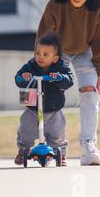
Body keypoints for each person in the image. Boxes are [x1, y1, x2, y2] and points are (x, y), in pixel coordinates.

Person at [37, 0, 100, 166]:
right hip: (58, 52)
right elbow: (44, 37)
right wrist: (44, 66)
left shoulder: (97, 9)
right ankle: (56, 145)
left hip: (84, 52)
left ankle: (88, 146)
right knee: (51, 91)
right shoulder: (55, 4)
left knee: (90, 92)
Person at [14, 32, 74, 166]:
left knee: (57, 132)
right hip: (33, 108)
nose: (40, 57)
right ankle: (23, 149)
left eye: (45, 55)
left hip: (53, 109)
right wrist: (23, 77)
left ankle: (61, 153)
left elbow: (69, 80)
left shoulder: (61, 68)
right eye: (38, 53)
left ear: (55, 58)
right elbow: (18, 79)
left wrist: (59, 77)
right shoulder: (30, 66)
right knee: (26, 128)